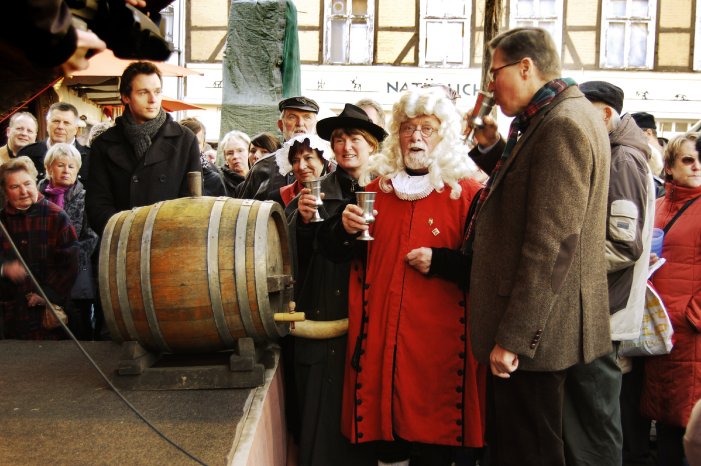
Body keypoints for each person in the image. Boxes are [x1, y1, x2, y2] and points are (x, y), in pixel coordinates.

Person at [467, 28, 611, 466]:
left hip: (535, 337)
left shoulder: (561, 124)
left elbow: (553, 246)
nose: (491, 86)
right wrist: (491, 146)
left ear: (525, 66)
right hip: (548, 330)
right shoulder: (561, 115)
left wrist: (512, 339)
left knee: (527, 451)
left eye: (496, 73)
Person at [319, 89, 485, 465]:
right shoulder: (375, 191)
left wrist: (443, 262)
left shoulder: (469, 194)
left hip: (441, 350)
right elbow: (336, 253)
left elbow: (490, 269)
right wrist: (342, 230)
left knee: (435, 444)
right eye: (408, 128)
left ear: (445, 136)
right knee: (388, 441)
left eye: (427, 128)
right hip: (383, 347)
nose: (417, 137)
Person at [559, 81, 655, 466]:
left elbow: (622, 245)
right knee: (589, 420)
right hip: (600, 307)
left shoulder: (621, 159)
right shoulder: (618, 153)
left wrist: (563, 271)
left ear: (603, 114)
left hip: (602, 311)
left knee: (595, 423)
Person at [284, 104, 385, 466]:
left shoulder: (388, 188)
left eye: (355, 138)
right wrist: (305, 223)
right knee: (324, 422)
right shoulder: (314, 194)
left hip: (373, 323)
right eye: (339, 139)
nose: (346, 146)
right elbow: (291, 260)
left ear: (372, 144)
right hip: (328, 320)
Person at [86, 61, 202, 235]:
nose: (153, 100)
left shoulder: (185, 140)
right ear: (126, 97)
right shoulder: (104, 144)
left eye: (157, 92)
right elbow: (97, 205)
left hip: (168, 244)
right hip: (120, 244)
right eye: (143, 93)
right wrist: (127, 234)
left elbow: (191, 202)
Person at [641, 134, 701, 466]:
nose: (697, 166)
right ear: (670, 166)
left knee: (690, 429)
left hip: (690, 334)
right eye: (688, 160)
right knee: (665, 422)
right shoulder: (660, 206)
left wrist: (692, 317)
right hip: (660, 332)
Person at [0, 156, 78, 340]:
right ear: (4, 191)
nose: (24, 191)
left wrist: (48, 294)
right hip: (10, 315)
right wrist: (4, 268)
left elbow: (70, 263)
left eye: (27, 183)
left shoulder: (56, 216)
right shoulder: (2, 220)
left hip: (48, 314)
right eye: (14, 187)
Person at [38, 143, 98, 340]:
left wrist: (69, 260)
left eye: (71, 166)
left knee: (78, 324)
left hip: (75, 272)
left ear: (78, 169)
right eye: (60, 165)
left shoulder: (86, 197)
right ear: (49, 168)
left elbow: (91, 235)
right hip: (43, 270)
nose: (66, 171)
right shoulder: (37, 196)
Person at [237, 96, 320, 200]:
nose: (300, 123)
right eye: (292, 117)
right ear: (281, 125)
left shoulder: (330, 168)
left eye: (307, 117)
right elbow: (243, 210)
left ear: (316, 125)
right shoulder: (261, 167)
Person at [19, 102, 90, 182]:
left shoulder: (90, 158)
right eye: (56, 121)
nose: (60, 126)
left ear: (76, 129)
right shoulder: (28, 154)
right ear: (47, 124)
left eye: (66, 123)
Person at [271, 134, 331, 208]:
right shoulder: (278, 197)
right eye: (295, 161)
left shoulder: (339, 192)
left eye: (308, 158)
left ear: (323, 160)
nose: (301, 166)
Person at [179, 117, 227, 196]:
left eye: (196, 143)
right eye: (186, 142)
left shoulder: (213, 179)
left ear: (204, 144)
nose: (191, 146)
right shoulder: (165, 172)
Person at [632, 112, 666, 197]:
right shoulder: (635, 156)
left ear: (649, 133)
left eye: (633, 134)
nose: (630, 138)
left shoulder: (675, 154)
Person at [219, 130, 251, 196]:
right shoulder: (220, 182)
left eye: (240, 151)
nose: (235, 156)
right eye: (230, 153)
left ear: (249, 152)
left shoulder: (258, 178)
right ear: (225, 158)